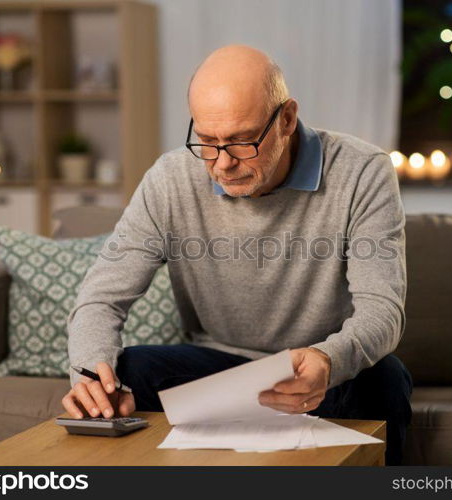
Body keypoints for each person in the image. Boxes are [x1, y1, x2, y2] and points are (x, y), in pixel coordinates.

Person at [62, 45, 413, 465]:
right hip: (219, 369)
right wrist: (89, 373)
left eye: (242, 142)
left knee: (384, 379)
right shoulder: (170, 179)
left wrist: (328, 359)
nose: (222, 164)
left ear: (286, 119)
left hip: (321, 370)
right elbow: (102, 298)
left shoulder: (362, 171)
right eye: (207, 142)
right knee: (129, 369)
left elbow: (383, 310)